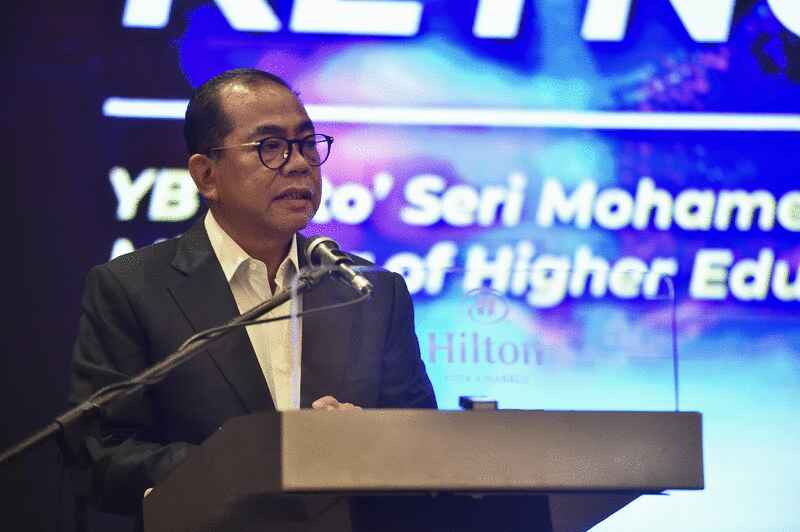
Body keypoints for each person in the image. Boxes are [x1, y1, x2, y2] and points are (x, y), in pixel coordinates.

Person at [68, 68, 437, 518]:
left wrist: (366, 439)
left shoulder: (371, 291)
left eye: (307, 143)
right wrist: (252, 459)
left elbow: (425, 447)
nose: (299, 163)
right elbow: (103, 453)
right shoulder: (131, 288)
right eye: (270, 146)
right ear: (206, 175)